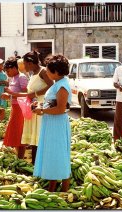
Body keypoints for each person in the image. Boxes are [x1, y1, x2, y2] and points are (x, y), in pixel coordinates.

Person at [32, 54, 72, 192]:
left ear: (56, 72)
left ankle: (65, 189)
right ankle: (52, 187)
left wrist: (42, 110)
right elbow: (53, 103)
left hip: (57, 125)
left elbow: (61, 109)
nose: (46, 72)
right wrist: (41, 105)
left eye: (48, 70)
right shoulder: (58, 84)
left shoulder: (62, 86)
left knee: (60, 155)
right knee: (53, 154)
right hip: (52, 124)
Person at [11, 51, 53, 164]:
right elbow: (30, 93)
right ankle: (35, 165)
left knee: (39, 138)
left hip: (42, 108)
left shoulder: (43, 71)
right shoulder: (33, 73)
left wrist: (35, 95)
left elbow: (52, 85)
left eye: (25, 64)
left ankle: (39, 164)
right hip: (34, 108)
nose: (24, 67)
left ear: (30, 63)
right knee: (34, 140)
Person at [1, 57, 29, 159]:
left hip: (20, 109)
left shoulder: (22, 77)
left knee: (20, 134)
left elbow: (27, 94)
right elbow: (15, 95)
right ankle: (19, 158)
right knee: (16, 134)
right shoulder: (13, 78)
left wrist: (11, 93)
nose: (7, 73)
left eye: (8, 71)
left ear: (14, 68)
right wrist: (8, 96)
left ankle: (20, 158)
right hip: (14, 108)